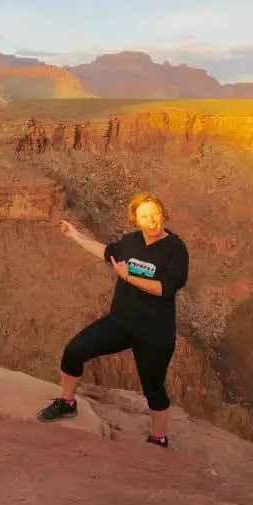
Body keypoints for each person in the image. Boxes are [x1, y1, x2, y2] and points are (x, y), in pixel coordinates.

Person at [36, 192, 190, 448]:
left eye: (155, 214)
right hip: (120, 322)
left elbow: (165, 288)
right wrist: (76, 236)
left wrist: (128, 277)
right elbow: (107, 252)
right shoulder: (131, 242)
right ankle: (66, 403)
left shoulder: (176, 250)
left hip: (155, 331)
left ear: (163, 214)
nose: (151, 220)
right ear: (135, 221)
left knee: (153, 387)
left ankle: (158, 437)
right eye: (144, 216)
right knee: (74, 351)